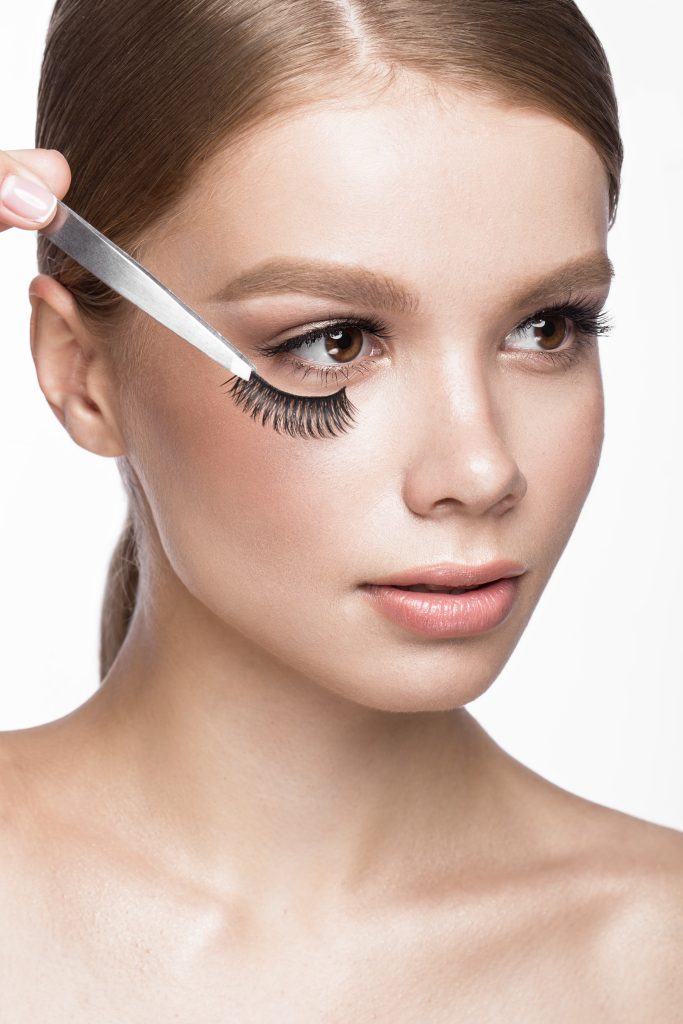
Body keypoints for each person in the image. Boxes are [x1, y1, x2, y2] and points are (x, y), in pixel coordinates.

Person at [1, 0, 681, 1017]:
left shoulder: (653, 952)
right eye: (334, 341)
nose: (479, 467)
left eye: (545, 327)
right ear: (82, 374)